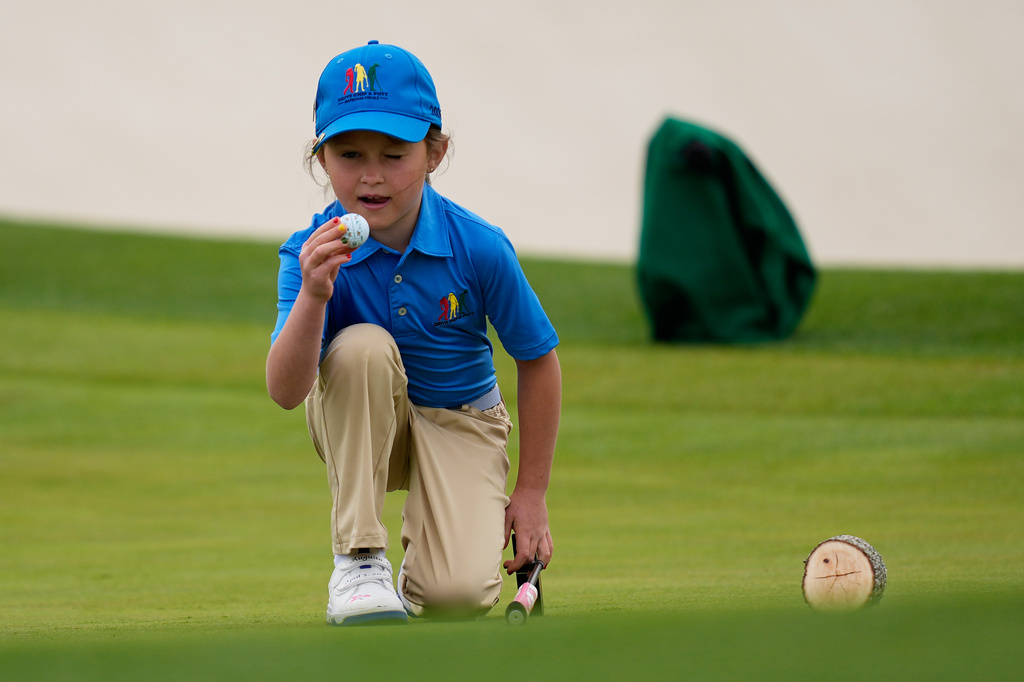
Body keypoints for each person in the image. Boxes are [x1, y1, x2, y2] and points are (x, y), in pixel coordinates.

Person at [265, 40, 561, 625]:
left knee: (453, 600)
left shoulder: (477, 244)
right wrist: (315, 294)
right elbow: (285, 391)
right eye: (349, 154)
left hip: (463, 420)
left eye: (395, 153)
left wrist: (531, 495)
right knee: (361, 348)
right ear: (321, 160)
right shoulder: (310, 254)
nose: (371, 177)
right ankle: (359, 562)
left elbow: (538, 359)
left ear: (435, 152)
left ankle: (421, 569)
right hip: (361, 417)